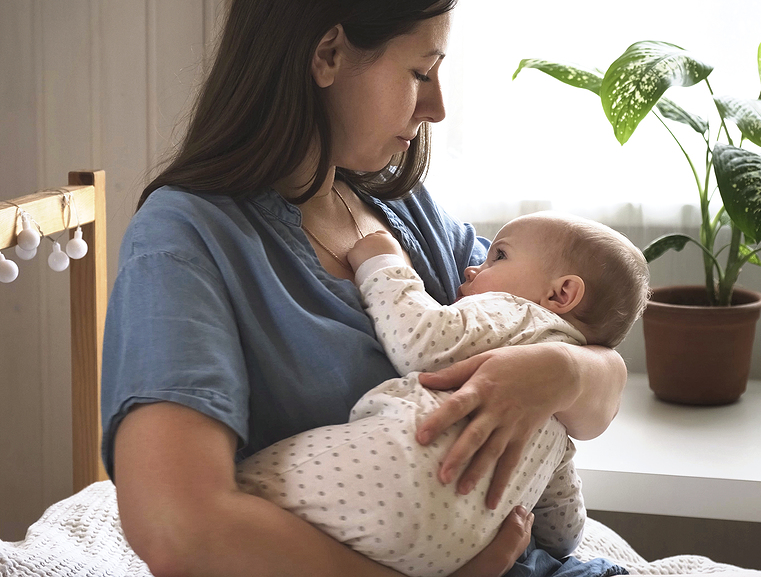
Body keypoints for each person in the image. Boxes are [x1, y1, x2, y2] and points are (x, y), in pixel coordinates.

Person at [101, 0, 629, 576]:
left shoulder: (405, 212)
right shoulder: (186, 239)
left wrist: (559, 372)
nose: (437, 109)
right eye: (420, 73)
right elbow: (178, 528)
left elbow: (593, 372)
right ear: (328, 55)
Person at [236, 211, 649, 577]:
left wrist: (383, 262)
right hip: (446, 555)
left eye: (497, 256)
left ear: (560, 295)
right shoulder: (560, 431)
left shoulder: (516, 312)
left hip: (374, 489)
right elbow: (563, 533)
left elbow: (421, 341)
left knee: (244, 490)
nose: (471, 268)